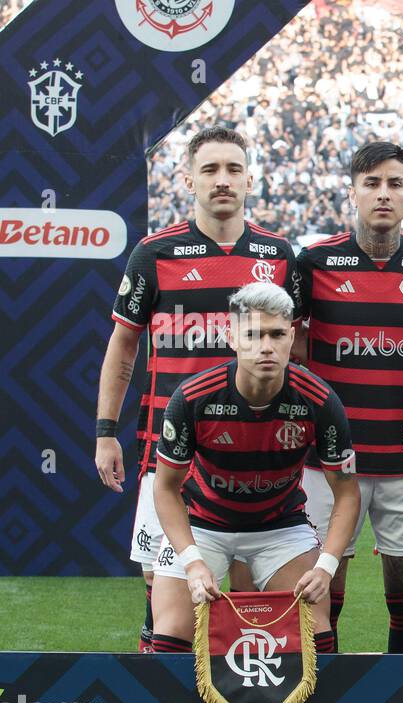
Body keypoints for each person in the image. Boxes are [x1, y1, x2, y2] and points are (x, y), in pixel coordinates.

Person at [95, 126, 300, 651]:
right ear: (188, 179)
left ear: (250, 178)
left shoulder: (278, 256)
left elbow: (294, 355)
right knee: (164, 589)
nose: (222, 180)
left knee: (248, 589)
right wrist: (105, 433)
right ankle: (159, 695)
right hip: (169, 450)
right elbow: (123, 347)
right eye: (210, 169)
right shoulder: (154, 253)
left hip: (253, 453)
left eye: (233, 169)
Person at [295, 141, 403, 652]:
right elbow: (290, 343)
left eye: (394, 184)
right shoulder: (315, 261)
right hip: (328, 461)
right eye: (371, 184)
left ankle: (398, 691)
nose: (383, 194)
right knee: (322, 586)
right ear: (353, 193)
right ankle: (326, 688)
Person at [147, 283, 359, 655]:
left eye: (277, 334)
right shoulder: (194, 397)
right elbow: (165, 488)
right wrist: (193, 563)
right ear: (232, 338)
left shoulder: (320, 400)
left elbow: (346, 491)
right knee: (169, 637)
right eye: (253, 335)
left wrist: (326, 566)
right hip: (203, 524)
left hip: (279, 528)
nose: (266, 346)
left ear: (291, 337)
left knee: (316, 636)